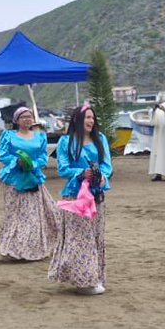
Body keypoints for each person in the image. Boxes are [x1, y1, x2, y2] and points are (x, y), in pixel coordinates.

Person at [49, 104, 112, 295]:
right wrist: (80, 173)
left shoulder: (100, 139)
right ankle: (85, 281)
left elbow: (107, 165)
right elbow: (63, 168)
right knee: (80, 238)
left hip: (95, 196)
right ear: (77, 120)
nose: (91, 121)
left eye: (93, 118)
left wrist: (102, 176)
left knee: (95, 237)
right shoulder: (66, 142)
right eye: (87, 117)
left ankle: (94, 277)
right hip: (75, 197)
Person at [0, 106, 60, 262]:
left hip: (33, 177)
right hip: (14, 179)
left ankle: (33, 247)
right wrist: (16, 161)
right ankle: (10, 250)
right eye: (23, 117)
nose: (27, 119)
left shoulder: (40, 136)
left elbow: (43, 157)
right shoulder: (8, 135)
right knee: (15, 214)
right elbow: (2, 155)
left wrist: (32, 164)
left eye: (29, 116)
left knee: (34, 214)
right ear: (17, 120)